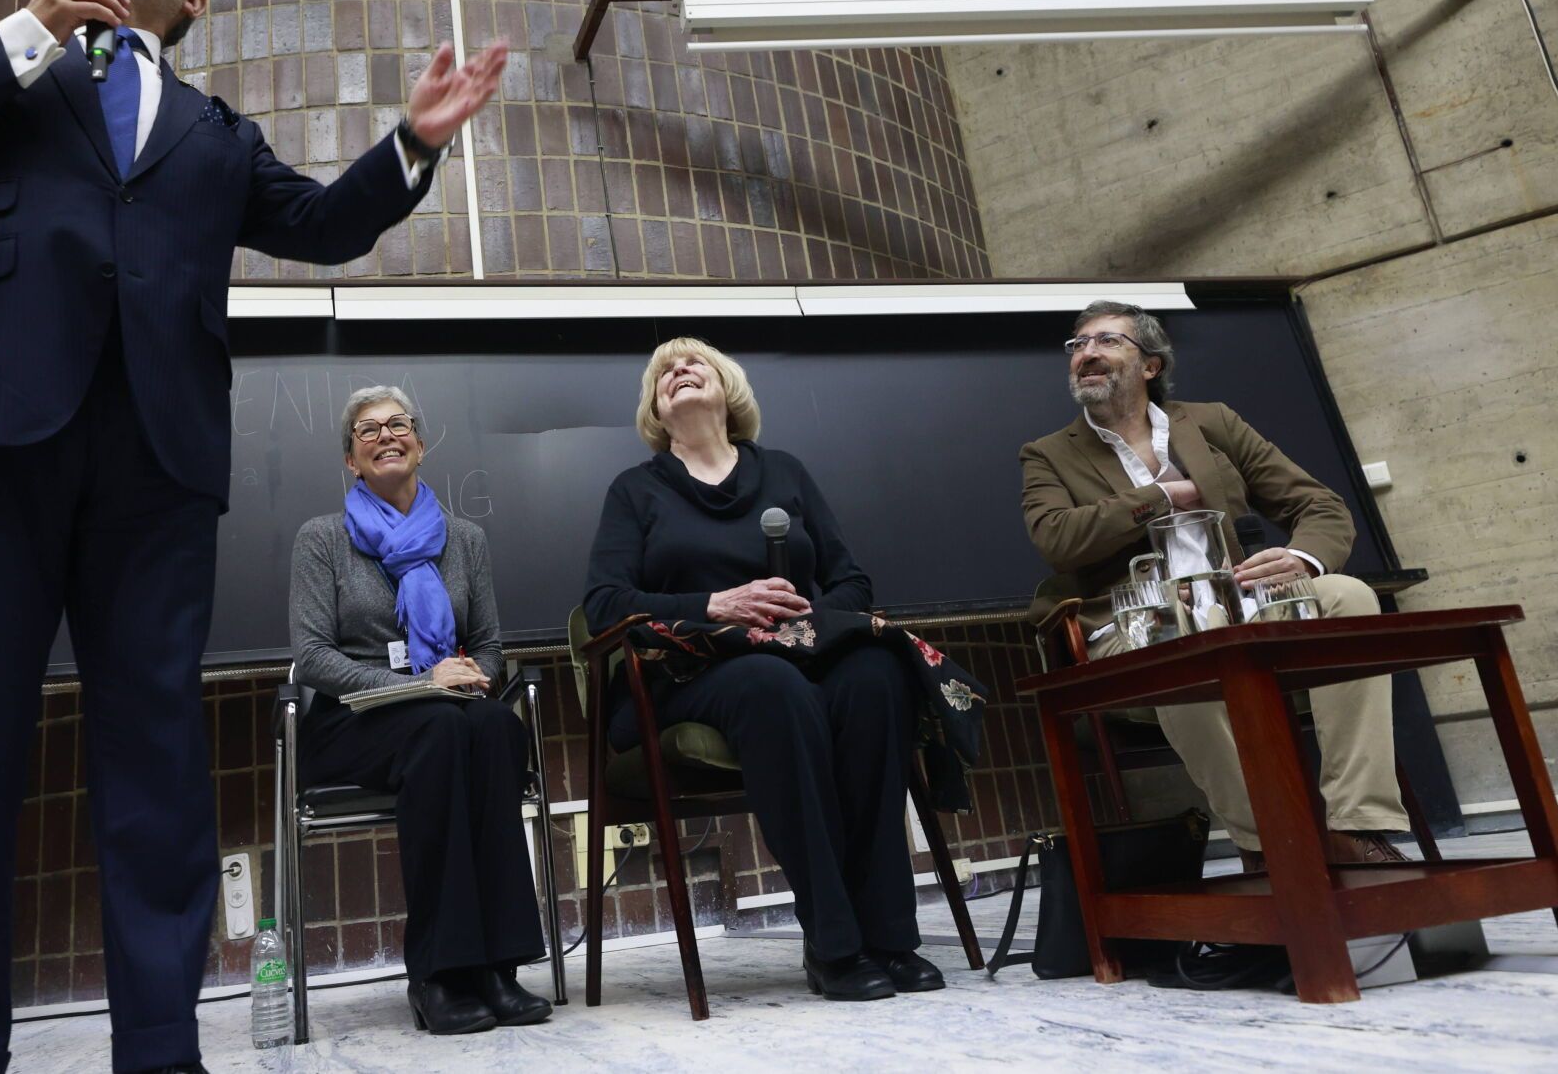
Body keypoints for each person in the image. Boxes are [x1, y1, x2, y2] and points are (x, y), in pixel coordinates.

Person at [0, 0, 507, 1074]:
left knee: (156, 767)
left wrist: (411, 144)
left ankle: (158, 1048)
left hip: (157, 461)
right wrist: (27, 32)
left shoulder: (215, 128)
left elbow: (318, 222)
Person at [583, 338, 943, 1001]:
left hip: (801, 654)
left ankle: (890, 937)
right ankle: (834, 942)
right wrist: (716, 605)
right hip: (693, 672)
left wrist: (799, 623)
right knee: (773, 687)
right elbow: (605, 603)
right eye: (663, 372)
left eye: (694, 362)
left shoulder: (785, 472)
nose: (678, 370)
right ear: (655, 410)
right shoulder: (635, 490)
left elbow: (851, 581)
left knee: (875, 677)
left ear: (729, 387)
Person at [1019, 300, 1410, 868]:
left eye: (1107, 341)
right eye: (1078, 345)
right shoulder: (1049, 454)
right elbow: (1057, 539)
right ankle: (1270, 844)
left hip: (1241, 605)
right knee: (1177, 639)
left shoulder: (1212, 423)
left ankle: (1356, 826)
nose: (1087, 353)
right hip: (1136, 627)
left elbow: (1319, 505)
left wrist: (1301, 559)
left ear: (1150, 364)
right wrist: (1162, 495)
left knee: (1348, 596)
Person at [288, 386, 549, 1036]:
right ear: (351, 460)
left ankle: (499, 966)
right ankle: (439, 972)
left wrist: (468, 677)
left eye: (398, 424)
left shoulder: (465, 539)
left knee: (495, 725)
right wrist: (421, 683)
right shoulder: (321, 539)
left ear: (421, 445)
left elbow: (488, 646)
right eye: (367, 430)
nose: (385, 435)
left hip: (445, 714)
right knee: (440, 728)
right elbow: (313, 657)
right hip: (352, 721)